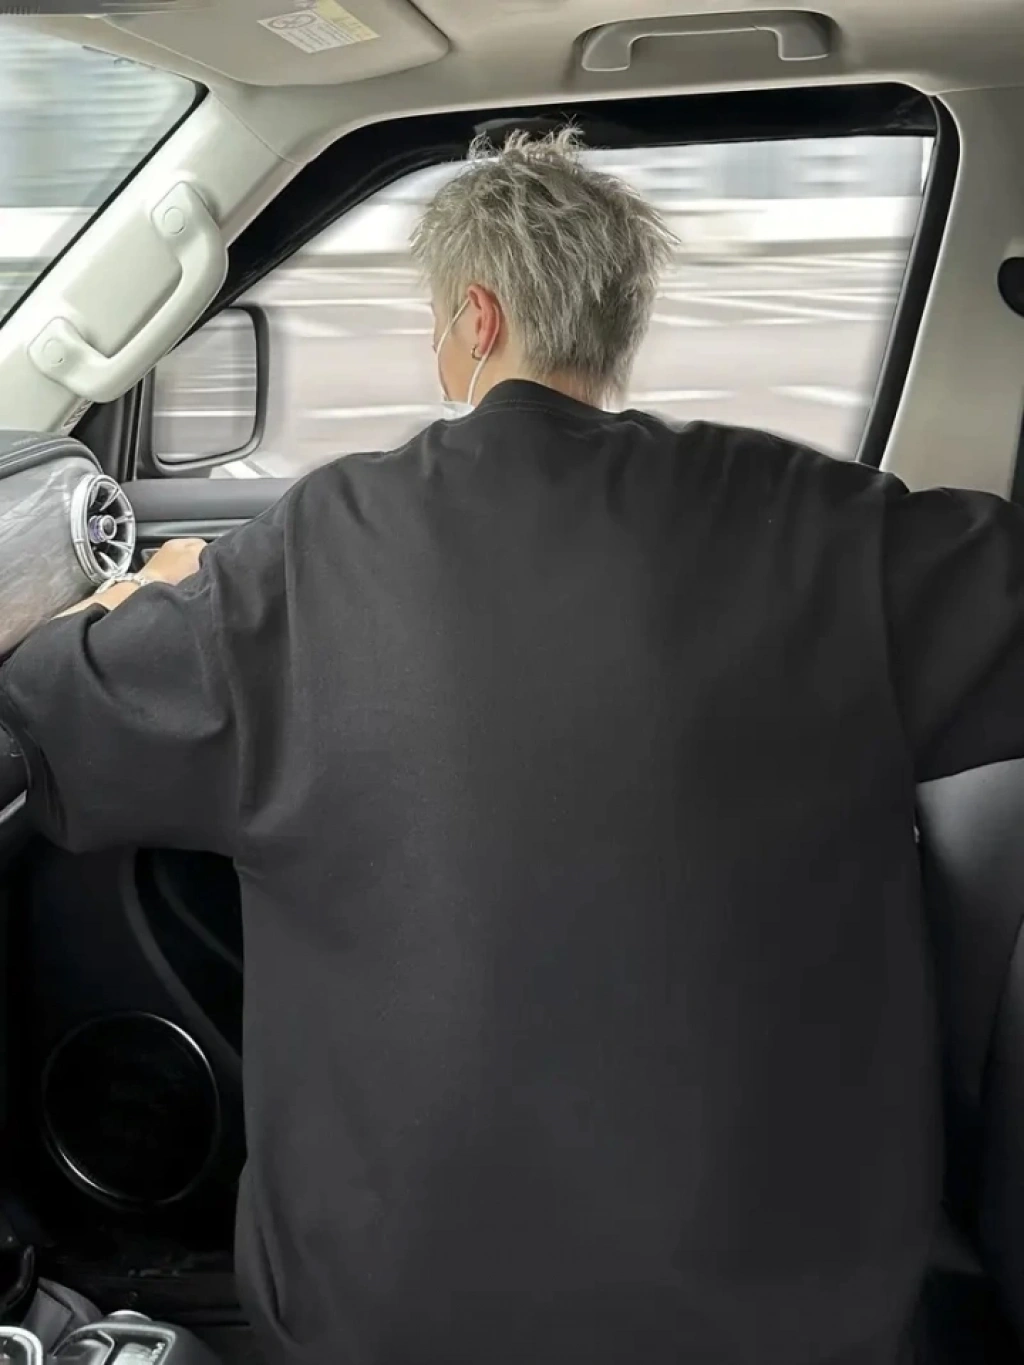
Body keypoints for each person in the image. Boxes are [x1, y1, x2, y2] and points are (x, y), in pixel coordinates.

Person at [0, 128, 1021, 1365]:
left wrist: (134, 597)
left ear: (476, 319)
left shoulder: (317, 555)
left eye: (438, 318)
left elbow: (49, 724)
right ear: (617, 320)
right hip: (806, 1311)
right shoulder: (825, 521)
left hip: (401, 1316)